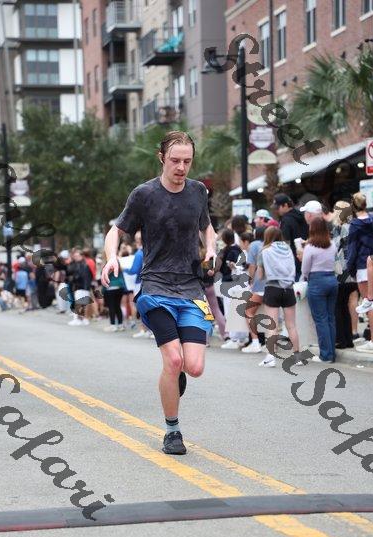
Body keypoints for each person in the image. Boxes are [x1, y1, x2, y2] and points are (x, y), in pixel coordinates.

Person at [101, 131, 216, 456]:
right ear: (162, 158)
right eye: (175, 160)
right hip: (155, 287)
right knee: (174, 359)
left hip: (191, 288)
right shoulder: (145, 194)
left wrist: (211, 248)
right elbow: (116, 230)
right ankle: (172, 431)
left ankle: (175, 377)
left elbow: (206, 226)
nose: (181, 167)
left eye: (187, 161)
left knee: (194, 367)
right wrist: (111, 257)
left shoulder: (198, 191)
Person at [256, 227, 301, 368]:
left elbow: (260, 276)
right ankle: (297, 357)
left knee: (272, 325)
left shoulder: (264, 251)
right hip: (289, 288)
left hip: (272, 288)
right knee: (291, 325)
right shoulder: (288, 250)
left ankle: (270, 357)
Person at [302, 217, 338, 362]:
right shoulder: (332, 244)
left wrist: (306, 277)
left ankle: (326, 355)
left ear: (312, 229)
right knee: (330, 318)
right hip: (332, 279)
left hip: (317, 281)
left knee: (320, 319)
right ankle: (331, 353)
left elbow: (305, 269)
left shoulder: (310, 247)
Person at [347, 192, 373, 353]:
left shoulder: (355, 225)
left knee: (369, 303)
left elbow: (352, 249)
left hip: (362, 266)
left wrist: (350, 268)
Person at [331, 201, 357, 349]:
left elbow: (334, 248)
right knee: (345, 305)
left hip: (342, 271)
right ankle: (349, 339)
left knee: (338, 306)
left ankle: (341, 339)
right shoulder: (354, 226)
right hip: (353, 271)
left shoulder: (339, 227)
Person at [214, 228, 244, 349]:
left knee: (230, 310)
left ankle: (234, 338)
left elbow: (225, 267)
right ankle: (240, 337)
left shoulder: (230, 251)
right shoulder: (237, 249)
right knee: (236, 310)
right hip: (237, 282)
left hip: (229, 283)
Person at [271, 193, 309, 280]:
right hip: (305, 256)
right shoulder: (302, 215)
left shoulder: (286, 220)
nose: (277, 210)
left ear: (285, 205)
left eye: (278, 207)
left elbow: (285, 243)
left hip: (293, 260)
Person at [242, 227, 266, 353]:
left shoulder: (254, 245)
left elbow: (252, 265)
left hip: (260, 283)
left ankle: (255, 342)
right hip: (275, 283)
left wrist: (250, 280)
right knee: (270, 314)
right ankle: (269, 343)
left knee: (248, 311)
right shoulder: (273, 244)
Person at [66, 249, 93, 326]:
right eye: (75, 256)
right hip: (82, 286)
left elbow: (79, 276)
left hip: (82, 286)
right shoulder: (80, 264)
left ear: (82, 256)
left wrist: (73, 278)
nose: (76, 257)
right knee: (81, 303)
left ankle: (79, 319)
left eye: (77, 256)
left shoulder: (82, 265)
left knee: (81, 303)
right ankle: (82, 319)